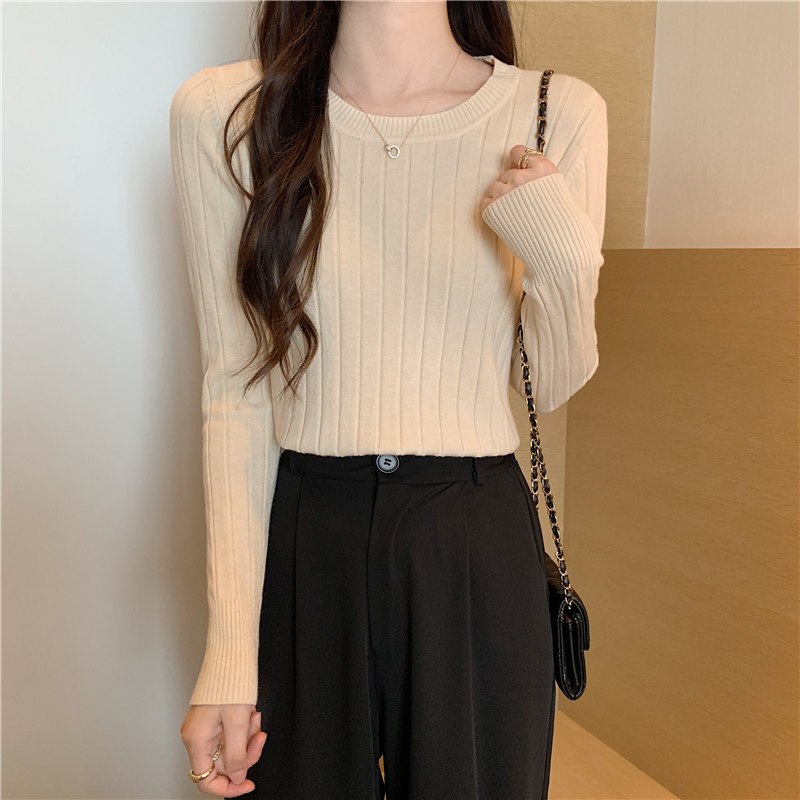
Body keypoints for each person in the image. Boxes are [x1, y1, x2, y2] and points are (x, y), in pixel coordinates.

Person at [169, 1, 607, 798]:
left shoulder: (554, 109)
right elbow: (235, 389)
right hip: (306, 537)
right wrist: (228, 657)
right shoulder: (226, 113)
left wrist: (565, 258)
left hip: (473, 540)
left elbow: (552, 381)